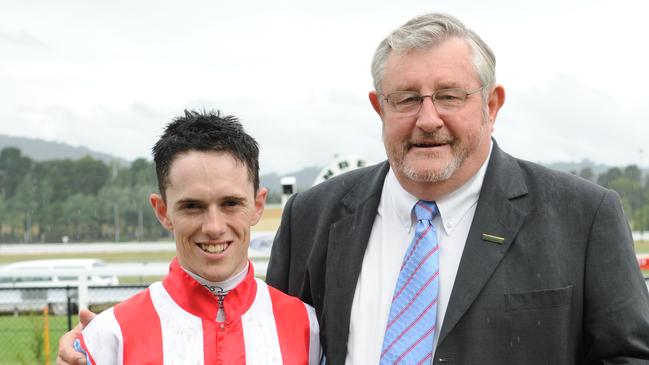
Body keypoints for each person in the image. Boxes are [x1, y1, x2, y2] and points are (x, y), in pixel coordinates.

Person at [265, 13, 649, 364]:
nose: (428, 119)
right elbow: (274, 349)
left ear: (492, 105)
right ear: (379, 108)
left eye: (449, 96)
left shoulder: (583, 217)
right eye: (407, 99)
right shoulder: (310, 218)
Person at [62, 110, 321, 364]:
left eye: (230, 203)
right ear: (162, 211)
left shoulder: (310, 330)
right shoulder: (109, 338)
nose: (214, 226)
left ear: (257, 205)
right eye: (192, 206)